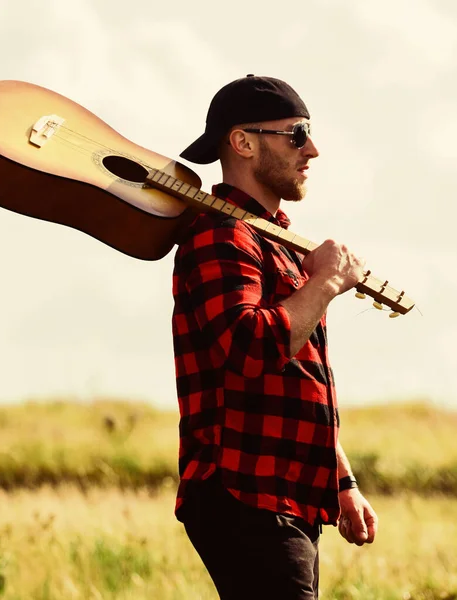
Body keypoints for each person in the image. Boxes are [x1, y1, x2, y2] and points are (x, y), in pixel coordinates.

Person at [171, 74, 378, 600]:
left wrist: (343, 479)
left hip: (285, 493)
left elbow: (298, 375)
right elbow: (250, 348)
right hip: (243, 491)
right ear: (243, 142)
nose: (313, 149)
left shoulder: (274, 239)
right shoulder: (221, 234)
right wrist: (328, 283)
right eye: (297, 133)